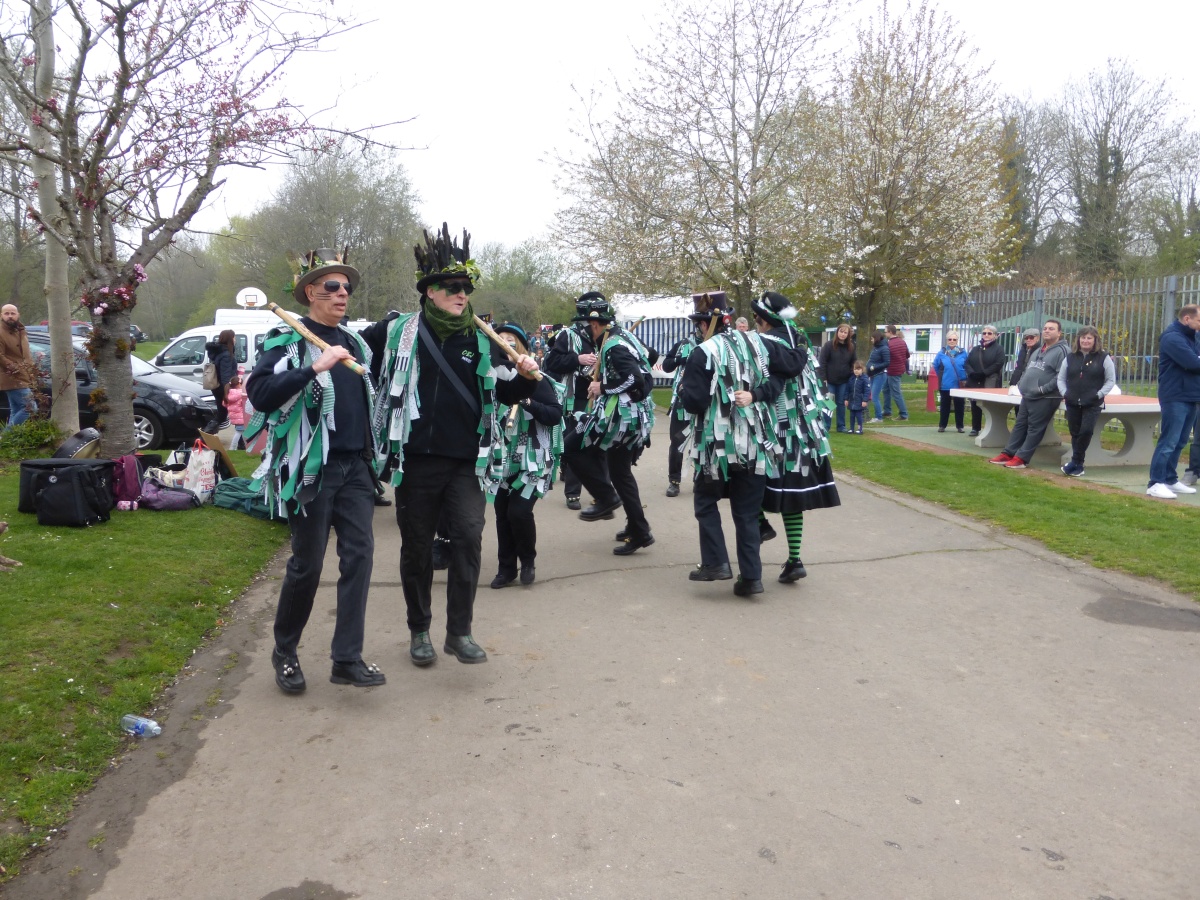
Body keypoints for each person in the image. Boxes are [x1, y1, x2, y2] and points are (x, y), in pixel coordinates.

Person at [371, 224, 541, 665]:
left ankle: (459, 632)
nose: (462, 294)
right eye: (452, 288)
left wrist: (525, 379)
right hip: (416, 461)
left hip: (467, 461)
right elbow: (352, 352)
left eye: (466, 288)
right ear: (430, 292)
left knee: (467, 538)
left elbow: (503, 392)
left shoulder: (483, 339)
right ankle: (419, 630)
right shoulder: (397, 332)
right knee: (417, 548)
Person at [244, 249, 386, 694]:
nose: (343, 293)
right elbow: (260, 394)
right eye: (332, 286)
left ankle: (347, 658)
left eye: (347, 287)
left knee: (360, 558)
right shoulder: (284, 339)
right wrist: (312, 368)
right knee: (308, 565)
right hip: (311, 471)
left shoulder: (355, 342)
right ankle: (285, 651)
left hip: (356, 468)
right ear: (310, 292)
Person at [677, 292, 803, 596]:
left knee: (705, 501)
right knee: (746, 511)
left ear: (706, 324)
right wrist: (756, 394)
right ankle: (751, 578)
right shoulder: (761, 344)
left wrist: (683, 391)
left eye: (698, 324)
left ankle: (716, 563)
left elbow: (695, 402)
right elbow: (783, 375)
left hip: (716, 446)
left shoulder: (702, 352)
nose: (697, 330)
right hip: (756, 444)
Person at [755, 292, 841, 582]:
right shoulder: (799, 342)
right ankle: (795, 560)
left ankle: (759, 528)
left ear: (765, 320)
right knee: (793, 497)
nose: (755, 323)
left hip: (774, 430)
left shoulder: (764, 345)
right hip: (803, 432)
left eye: (757, 318)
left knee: (744, 481)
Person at [562, 294, 657, 555]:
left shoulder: (614, 346)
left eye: (585, 326)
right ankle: (639, 529)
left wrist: (602, 387)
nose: (584, 331)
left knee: (570, 447)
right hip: (633, 416)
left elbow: (635, 379)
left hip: (620, 418)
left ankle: (605, 498)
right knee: (620, 473)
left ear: (594, 324)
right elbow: (649, 358)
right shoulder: (624, 336)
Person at [488, 323, 565, 588]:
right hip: (502, 459)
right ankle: (506, 568)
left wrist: (526, 400)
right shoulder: (491, 377)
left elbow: (554, 415)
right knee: (502, 514)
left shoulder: (535, 377)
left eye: (510, 339)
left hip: (533, 459)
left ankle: (528, 561)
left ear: (520, 346)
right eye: (500, 338)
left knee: (518, 512)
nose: (504, 342)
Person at [543, 294, 611, 511]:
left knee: (601, 445)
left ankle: (602, 494)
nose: (594, 325)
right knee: (576, 444)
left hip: (603, 398)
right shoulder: (568, 335)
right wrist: (577, 359)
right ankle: (573, 493)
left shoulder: (610, 334)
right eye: (591, 321)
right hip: (577, 399)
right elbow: (551, 362)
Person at [988, 319, 1069, 469]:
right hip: (1028, 395)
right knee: (1020, 425)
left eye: (1051, 329)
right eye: (1045, 328)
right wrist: (1021, 384)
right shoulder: (1037, 350)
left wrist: (1043, 389)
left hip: (1046, 396)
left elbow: (1061, 376)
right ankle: (1008, 453)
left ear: (1059, 333)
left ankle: (1022, 458)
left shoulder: (1063, 351)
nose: (1047, 330)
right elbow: (1027, 369)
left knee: (1034, 428)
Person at [1146, 305, 1200, 499]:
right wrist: (1196, 359)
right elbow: (1193, 363)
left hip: (1192, 395)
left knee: (1181, 441)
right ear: (1187, 319)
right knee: (1169, 440)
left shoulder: (1193, 336)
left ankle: (1169, 479)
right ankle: (1155, 483)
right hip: (1175, 395)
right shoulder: (1172, 338)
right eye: (1199, 320)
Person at [1057, 325, 1116, 477]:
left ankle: (1076, 462)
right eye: (1083, 337)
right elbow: (1061, 378)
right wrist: (1065, 393)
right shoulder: (1070, 357)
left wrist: (1098, 394)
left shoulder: (1104, 358)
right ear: (1078, 340)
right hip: (1072, 401)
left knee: (1086, 431)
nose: (1085, 341)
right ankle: (1077, 465)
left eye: (1089, 338)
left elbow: (1110, 380)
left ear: (1095, 340)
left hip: (1093, 403)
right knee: (1075, 432)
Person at [659, 319, 702, 497]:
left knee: (704, 442)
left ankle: (700, 480)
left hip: (706, 401)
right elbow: (666, 365)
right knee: (677, 441)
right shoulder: (685, 344)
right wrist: (682, 359)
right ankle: (674, 481)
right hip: (682, 400)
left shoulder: (717, 345)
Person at [964, 324, 1005, 436]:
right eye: (984, 333)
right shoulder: (976, 349)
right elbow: (967, 362)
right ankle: (975, 428)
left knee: (989, 405)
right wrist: (972, 373)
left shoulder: (998, 349)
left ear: (995, 335)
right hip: (974, 380)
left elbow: (998, 363)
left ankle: (991, 429)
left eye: (989, 333)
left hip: (988, 380)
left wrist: (984, 373)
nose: (986, 335)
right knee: (975, 404)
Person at [0, 304, 36, 428]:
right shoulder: (1, 332)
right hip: (11, 376)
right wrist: (15, 368)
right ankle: (6, 436)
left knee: (16, 410)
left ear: (18, 315)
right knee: (30, 407)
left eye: (13, 313)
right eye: (6, 313)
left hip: (24, 375)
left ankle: (8, 439)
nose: (10, 316)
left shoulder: (20, 330)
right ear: (1, 315)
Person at [817, 323, 855, 432]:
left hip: (844, 381)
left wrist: (851, 375)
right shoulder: (828, 345)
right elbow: (822, 362)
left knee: (841, 403)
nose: (843, 334)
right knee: (828, 403)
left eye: (845, 332)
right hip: (829, 381)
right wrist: (823, 378)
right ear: (837, 332)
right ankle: (826, 426)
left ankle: (841, 426)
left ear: (848, 334)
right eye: (841, 331)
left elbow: (854, 362)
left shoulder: (851, 347)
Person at [932, 331, 969, 432]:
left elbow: (967, 365)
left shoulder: (963, 353)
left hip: (959, 384)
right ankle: (942, 425)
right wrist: (942, 375)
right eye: (950, 339)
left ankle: (960, 426)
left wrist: (964, 377)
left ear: (957, 340)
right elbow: (935, 365)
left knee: (959, 405)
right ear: (947, 340)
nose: (952, 341)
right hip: (945, 383)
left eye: (954, 339)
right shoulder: (941, 353)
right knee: (945, 405)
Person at [204, 329, 237, 431]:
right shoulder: (226, 355)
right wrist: (226, 394)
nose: (235, 339)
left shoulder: (218, 352)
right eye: (234, 337)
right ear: (230, 339)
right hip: (224, 388)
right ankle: (205, 435)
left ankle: (205, 435)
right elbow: (225, 376)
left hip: (217, 387)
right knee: (234, 414)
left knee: (222, 415)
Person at [881, 325, 910, 420]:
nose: (884, 334)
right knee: (886, 389)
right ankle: (887, 411)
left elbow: (885, 357)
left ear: (890, 332)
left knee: (896, 393)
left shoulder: (889, 344)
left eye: (885, 332)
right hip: (898, 369)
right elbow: (907, 355)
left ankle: (903, 414)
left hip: (893, 370)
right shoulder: (902, 342)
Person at [865, 330, 890, 422]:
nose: (871, 340)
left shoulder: (884, 348)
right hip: (873, 374)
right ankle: (877, 416)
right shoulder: (876, 348)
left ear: (876, 338)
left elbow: (887, 362)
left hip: (880, 374)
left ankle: (879, 417)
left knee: (875, 396)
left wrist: (875, 367)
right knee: (873, 395)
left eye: (872, 338)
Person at [225, 366, 248, 450]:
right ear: (239, 384)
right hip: (240, 417)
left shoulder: (228, 393)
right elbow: (245, 402)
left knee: (241, 432)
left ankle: (246, 446)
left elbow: (224, 403)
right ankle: (233, 447)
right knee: (239, 432)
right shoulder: (240, 394)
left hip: (234, 417)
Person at [846, 360, 870, 433]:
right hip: (852, 400)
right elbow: (847, 390)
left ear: (862, 369)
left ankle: (860, 429)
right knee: (852, 415)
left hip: (860, 400)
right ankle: (851, 428)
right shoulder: (851, 379)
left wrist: (865, 400)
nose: (856, 371)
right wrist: (846, 399)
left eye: (858, 369)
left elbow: (867, 391)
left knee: (859, 415)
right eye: (855, 369)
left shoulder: (865, 379)